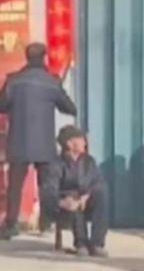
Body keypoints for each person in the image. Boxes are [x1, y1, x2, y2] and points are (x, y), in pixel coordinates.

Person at [0, 43, 77, 240]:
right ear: (44, 57)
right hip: (44, 144)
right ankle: (46, 223)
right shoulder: (51, 82)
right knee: (47, 185)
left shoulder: (13, 81)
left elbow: (2, 105)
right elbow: (70, 108)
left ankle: (11, 225)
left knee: (15, 186)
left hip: (18, 141)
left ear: (27, 57)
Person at [42, 125, 108, 257]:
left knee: (101, 192)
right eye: (81, 139)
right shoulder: (56, 164)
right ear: (70, 143)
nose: (84, 142)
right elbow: (48, 191)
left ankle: (97, 243)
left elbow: (97, 182)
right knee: (73, 197)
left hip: (85, 200)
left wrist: (86, 196)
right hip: (64, 205)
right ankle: (81, 243)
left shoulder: (89, 161)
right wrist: (63, 202)